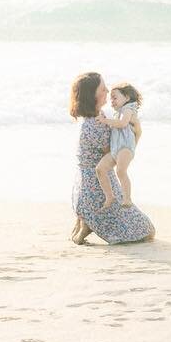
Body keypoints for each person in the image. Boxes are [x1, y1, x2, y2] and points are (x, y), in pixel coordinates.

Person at [68, 72, 154, 245]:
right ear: (92, 95)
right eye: (103, 88)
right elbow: (116, 152)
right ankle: (88, 221)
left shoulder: (94, 117)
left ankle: (85, 219)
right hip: (96, 188)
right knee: (147, 231)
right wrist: (137, 134)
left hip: (84, 187)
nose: (108, 90)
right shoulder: (97, 124)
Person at [94, 82, 141, 211]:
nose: (112, 101)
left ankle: (127, 198)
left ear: (126, 98)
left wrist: (105, 121)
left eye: (115, 97)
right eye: (111, 99)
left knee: (120, 170)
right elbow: (115, 125)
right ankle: (109, 196)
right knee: (100, 169)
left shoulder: (128, 109)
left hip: (126, 147)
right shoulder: (117, 113)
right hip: (116, 149)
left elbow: (122, 124)